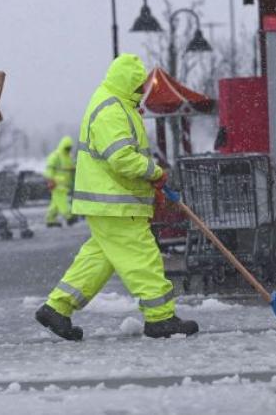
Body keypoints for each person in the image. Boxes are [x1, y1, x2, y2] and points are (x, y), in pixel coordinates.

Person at [35, 54, 199, 340]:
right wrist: (155, 173)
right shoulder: (112, 109)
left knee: (98, 258)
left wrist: (150, 188)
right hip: (116, 204)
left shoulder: (116, 104)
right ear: (129, 84)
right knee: (143, 257)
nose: (141, 93)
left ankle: (57, 308)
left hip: (112, 203)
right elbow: (121, 158)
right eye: (139, 87)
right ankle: (160, 318)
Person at [43, 135, 77, 227]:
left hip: (64, 184)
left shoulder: (69, 157)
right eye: (67, 147)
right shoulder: (55, 156)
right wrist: (50, 180)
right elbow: (49, 169)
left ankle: (50, 219)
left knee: (56, 203)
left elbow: (71, 168)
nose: (68, 149)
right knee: (62, 201)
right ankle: (69, 216)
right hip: (56, 184)